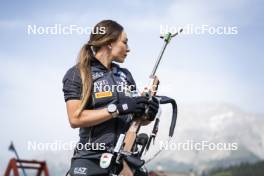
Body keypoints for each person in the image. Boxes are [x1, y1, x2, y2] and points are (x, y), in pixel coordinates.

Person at [62, 20, 159, 176]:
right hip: (91, 158)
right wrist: (120, 108)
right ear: (109, 43)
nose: (129, 49)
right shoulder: (77, 73)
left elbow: (135, 118)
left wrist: (148, 113)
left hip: (125, 159)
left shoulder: (125, 75)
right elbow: (75, 118)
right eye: (125, 42)